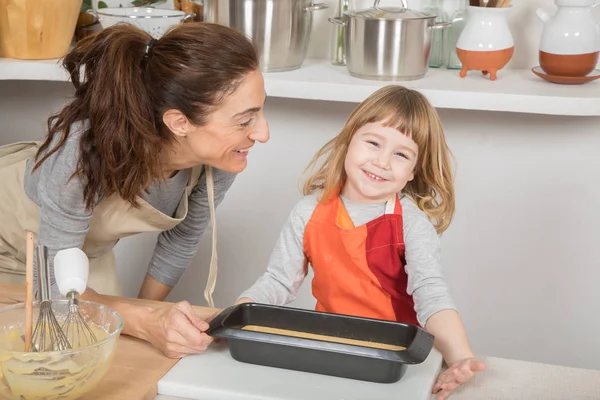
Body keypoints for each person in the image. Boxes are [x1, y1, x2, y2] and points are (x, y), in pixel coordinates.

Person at [0, 22, 269, 358]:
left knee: (115, 355)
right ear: (179, 122)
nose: (262, 133)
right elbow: (53, 292)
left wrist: (149, 313)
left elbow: (181, 240)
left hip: (78, 255)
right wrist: (142, 320)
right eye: (245, 120)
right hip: (8, 248)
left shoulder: (219, 158)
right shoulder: (81, 153)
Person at [236, 86, 485, 399]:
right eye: (373, 142)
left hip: (395, 360)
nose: (381, 161)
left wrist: (460, 357)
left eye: (401, 154)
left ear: (412, 171)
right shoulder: (307, 212)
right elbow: (278, 282)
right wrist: (236, 315)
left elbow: (431, 296)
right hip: (330, 350)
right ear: (349, 140)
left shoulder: (412, 225)